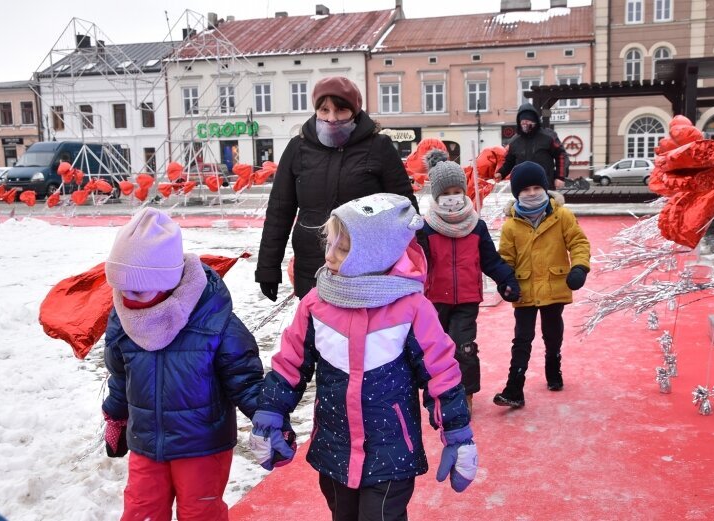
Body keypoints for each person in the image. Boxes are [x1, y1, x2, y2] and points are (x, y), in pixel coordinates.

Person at [249, 193, 477, 520]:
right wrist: (270, 410)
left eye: (343, 250)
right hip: (335, 448)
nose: (329, 256)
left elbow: (440, 373)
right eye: (329, 244)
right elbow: (291, 364)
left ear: (374, 255)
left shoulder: (411, 309)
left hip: (391, 451)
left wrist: (457, 434)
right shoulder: (317, 303)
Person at [101, 208, 265, 520]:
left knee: (200, 512)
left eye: (137, 287)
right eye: (121, 287)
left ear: (168, 279)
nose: (128, 297)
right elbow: (120, 375)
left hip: (202, 445)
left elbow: (245, 379)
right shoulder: (123, 319)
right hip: (147, 443)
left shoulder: (215, 321)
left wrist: (268, 416)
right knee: (141, 511)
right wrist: (116, 416)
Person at [256, 76, 417, 301]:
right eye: (324, 110)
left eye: (340, 110)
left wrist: (415, 262)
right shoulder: (298, 148)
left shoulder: (379, 147)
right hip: (312, 265)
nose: (331, 118)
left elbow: (405, 208)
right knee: (317, 331)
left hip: (365, 265)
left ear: (354, 110)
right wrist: (268, 268)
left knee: (359, 332)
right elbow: (279, 212)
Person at [419, 149, 520, 413]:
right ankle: (440, 391)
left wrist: (505, 280)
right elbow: (418, 265)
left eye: (456, 192)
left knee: (463, 347)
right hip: (435, 299)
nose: (452, 198)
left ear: (464, 192)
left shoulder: (476, 226)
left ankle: (466, 393)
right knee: (438, 348)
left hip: (466, 298)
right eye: (446, 194)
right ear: (436, 196)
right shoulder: (427, 227)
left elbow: (491, 260)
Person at [494, 162, 590, 409]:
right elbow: (505, 259)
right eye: (525, 189)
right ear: (517, 193)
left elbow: (578, 243)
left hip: (555, 284)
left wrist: (579, 267)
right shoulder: (511, 225)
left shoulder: (562, 216)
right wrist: (505, 282)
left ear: (545, 188)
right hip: (524, 288)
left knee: (552, 332)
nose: (532, 193)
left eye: (537, 187)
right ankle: (514, 387)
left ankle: (553, 364)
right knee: (522, 338)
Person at [498, 102, 569, 190]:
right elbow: (509, 162)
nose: (525, 124)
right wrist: (501, 173)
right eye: (522, 122)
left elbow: (561, 155)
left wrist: (560, 177)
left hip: (545, 185)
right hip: (522, 187)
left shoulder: (548, 137)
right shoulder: (515, 141)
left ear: (534, 121)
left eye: (527, 121)